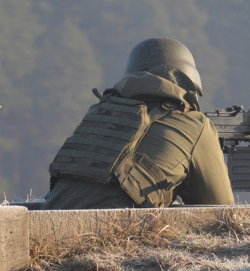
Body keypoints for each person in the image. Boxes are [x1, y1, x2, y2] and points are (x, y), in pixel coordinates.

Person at [43, 38, 234, 209]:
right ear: (189, 82)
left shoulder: (99, 111)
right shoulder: (195, 125)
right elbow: (221, 210)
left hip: (49, 219)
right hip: (118, 230)